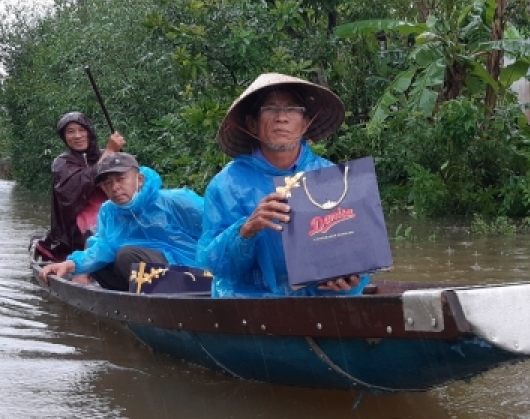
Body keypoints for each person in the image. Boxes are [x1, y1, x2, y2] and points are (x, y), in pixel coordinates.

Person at [197, 73, 368, 298]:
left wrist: (353, 279)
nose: (282, 117)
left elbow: (356, 252)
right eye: (270, 109)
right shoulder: (226, 185)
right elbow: (215, 265)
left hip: (320, 305)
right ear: (252, 124)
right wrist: (246, 230)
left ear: (305, 124)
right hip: (251, 304)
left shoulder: (330, 176)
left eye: (292, 109)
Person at [37, 152, 205, 292]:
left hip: (193, 274)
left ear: (139, 179)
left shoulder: (174, 200)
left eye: (121, 179)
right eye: (108, 183)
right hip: (149, 276)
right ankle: (135, 301)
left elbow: (215, 230)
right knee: (98, 265)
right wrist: (69, 265)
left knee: (126, 256)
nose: (115, 188)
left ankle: (182, 294)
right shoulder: (109, 211)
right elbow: (102, 248)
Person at [33, 112, 125, 263]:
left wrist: (114, 155)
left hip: (113, 210)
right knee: (94, 233)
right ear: (64, 137)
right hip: (79, 218)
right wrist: (109, 153)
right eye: (70, 131)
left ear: (89, 132)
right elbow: (78, 185)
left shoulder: (107, 154)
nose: (77, 136)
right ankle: (85, 270)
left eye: (82, 130)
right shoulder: (61, 163)